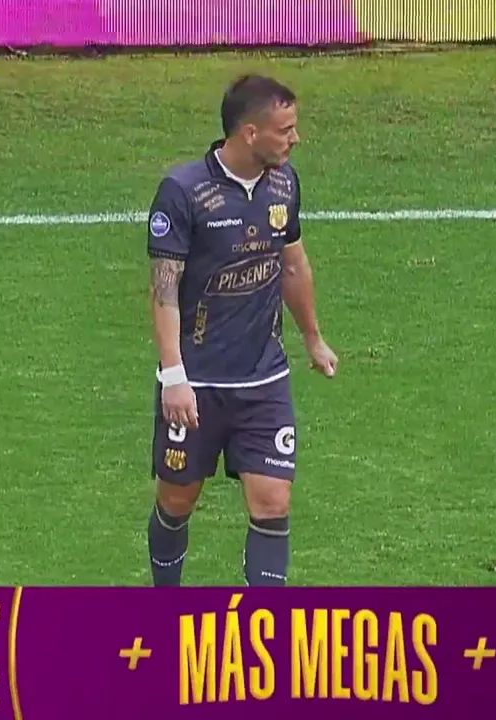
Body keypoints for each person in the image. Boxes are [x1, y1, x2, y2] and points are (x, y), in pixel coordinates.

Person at [144, 74, 338, 587]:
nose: (295, 139)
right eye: (285, 130)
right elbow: (164, 289)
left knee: (273, 502)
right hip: (197, 383)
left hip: (263, 380)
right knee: (177, 500)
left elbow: (292, 264)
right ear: (250, 133)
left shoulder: (284, 184)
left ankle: (262, 623)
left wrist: (312, 338)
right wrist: (173, 375)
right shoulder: (184, 192)